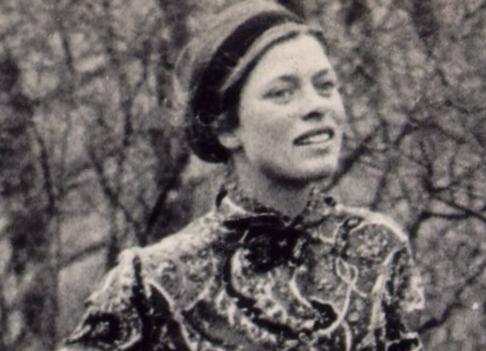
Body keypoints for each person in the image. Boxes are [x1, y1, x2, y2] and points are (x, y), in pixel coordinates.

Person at [62, 1, 425, 350]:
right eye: (282, 93)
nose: (317, 106)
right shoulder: (154, 281)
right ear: (226, 126)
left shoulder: (378, 250)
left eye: (325, 86)